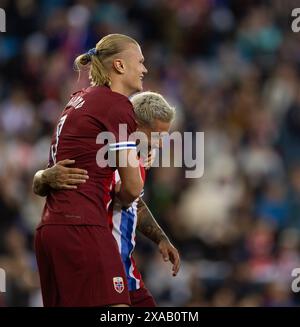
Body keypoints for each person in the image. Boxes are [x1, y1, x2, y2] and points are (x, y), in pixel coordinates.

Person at [33, 91, 181, 307]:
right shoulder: (102, 153)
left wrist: (160, 238)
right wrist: (43, 176)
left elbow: (134, 204)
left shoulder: (138, 158)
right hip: (98, 260)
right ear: (135, 125)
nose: (159, 144)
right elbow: (49, 182)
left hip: (125, 268)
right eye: (157, 136)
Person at [33, 34, 148, 307]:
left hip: (50, 229)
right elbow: (132, 188)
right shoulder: (116, 105)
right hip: (81, 225)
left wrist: (40, 177)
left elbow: (48, 175)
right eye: (140, 62)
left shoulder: (76, 100)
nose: (145, 69)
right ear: (119, 65)